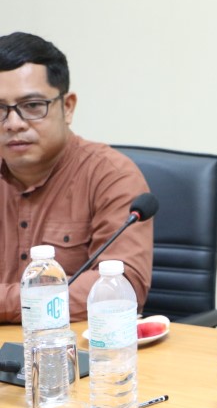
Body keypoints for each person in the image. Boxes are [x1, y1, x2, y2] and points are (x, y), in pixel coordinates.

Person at [0, 32, 153, 322]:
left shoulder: (111, 176)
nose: (13, 123)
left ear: (67, 107)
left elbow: (118, 290)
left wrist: (9, 303)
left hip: (78, 346)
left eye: (32, 106)